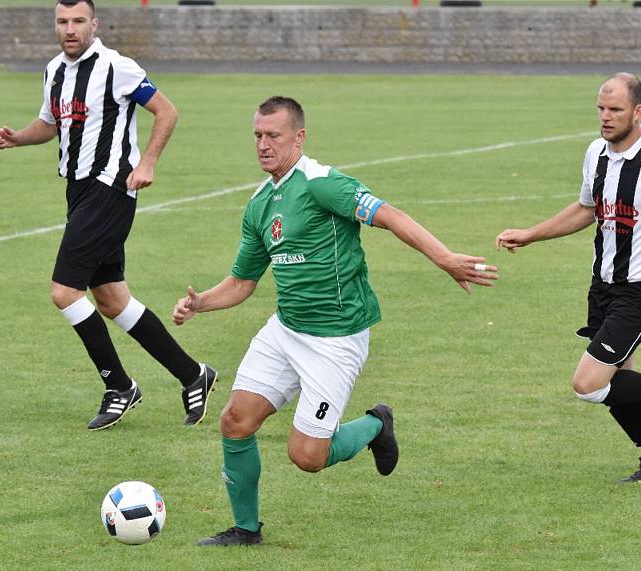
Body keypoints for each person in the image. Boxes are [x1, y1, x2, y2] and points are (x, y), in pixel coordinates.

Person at [173, 96, 499, 546]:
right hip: (285, 331)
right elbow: (243, 281)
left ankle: (375, 425)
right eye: (257, 136)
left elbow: (390, 216)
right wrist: (200, 304)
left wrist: (444, 258)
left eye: (273, 136)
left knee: (307, 456)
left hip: (335, 339)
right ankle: (246, 530)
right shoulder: (260, 204)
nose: (263, 145)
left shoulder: (323, 184)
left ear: (299, 137)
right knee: (235, 421)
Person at [0, 0, 217, 431]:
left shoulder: (118, 67)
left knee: (64, 291)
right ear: (55, 25)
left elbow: (166, 111)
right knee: (113, 300)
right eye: (63, 22)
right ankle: (194, 375)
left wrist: (147, 162)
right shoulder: (53, 70)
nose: (70, 29)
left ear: (94, 24)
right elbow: (50, 123)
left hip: (111, 188)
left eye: (78, 21)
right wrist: (17, 138)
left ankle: (119, 386)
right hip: (78, 192)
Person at [496, 72, 641, 484]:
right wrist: (531, 234)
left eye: (615, 109)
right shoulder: (597, 153)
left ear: (637, 112)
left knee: (588, 385)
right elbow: (587, 208)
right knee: (618, 383)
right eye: (601, 108)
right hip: (602, 285)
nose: (605, 117)